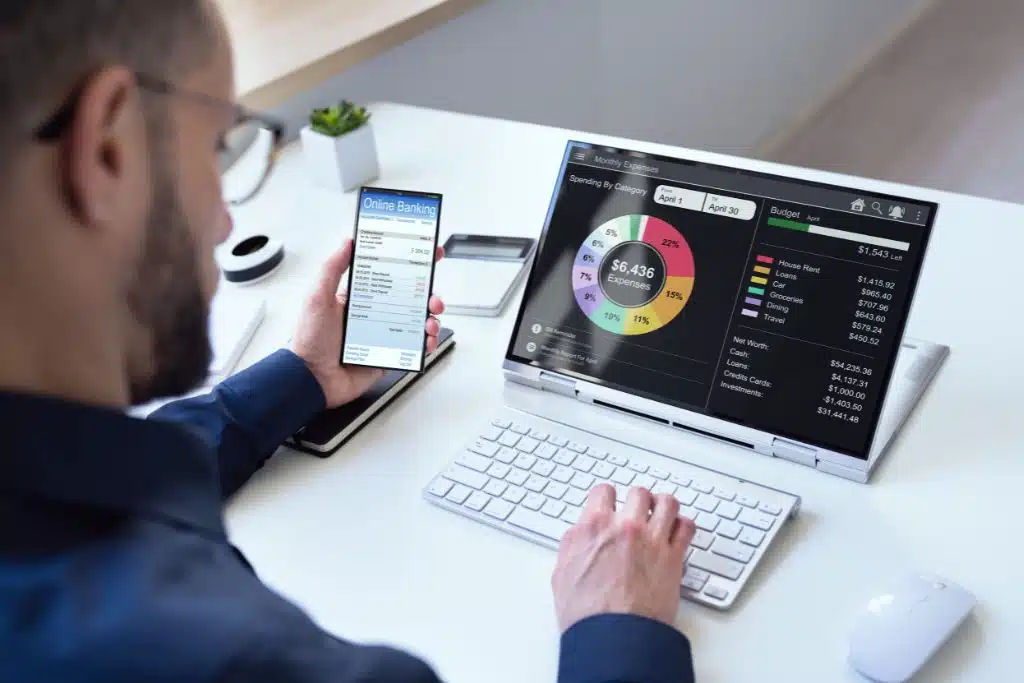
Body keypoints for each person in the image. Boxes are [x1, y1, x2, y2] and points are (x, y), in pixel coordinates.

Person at [0, 1, 699, 682]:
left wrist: (303, 375)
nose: (222, 220)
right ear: (107, 149)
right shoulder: (222, 655)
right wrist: (619, 630)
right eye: (216, 147)